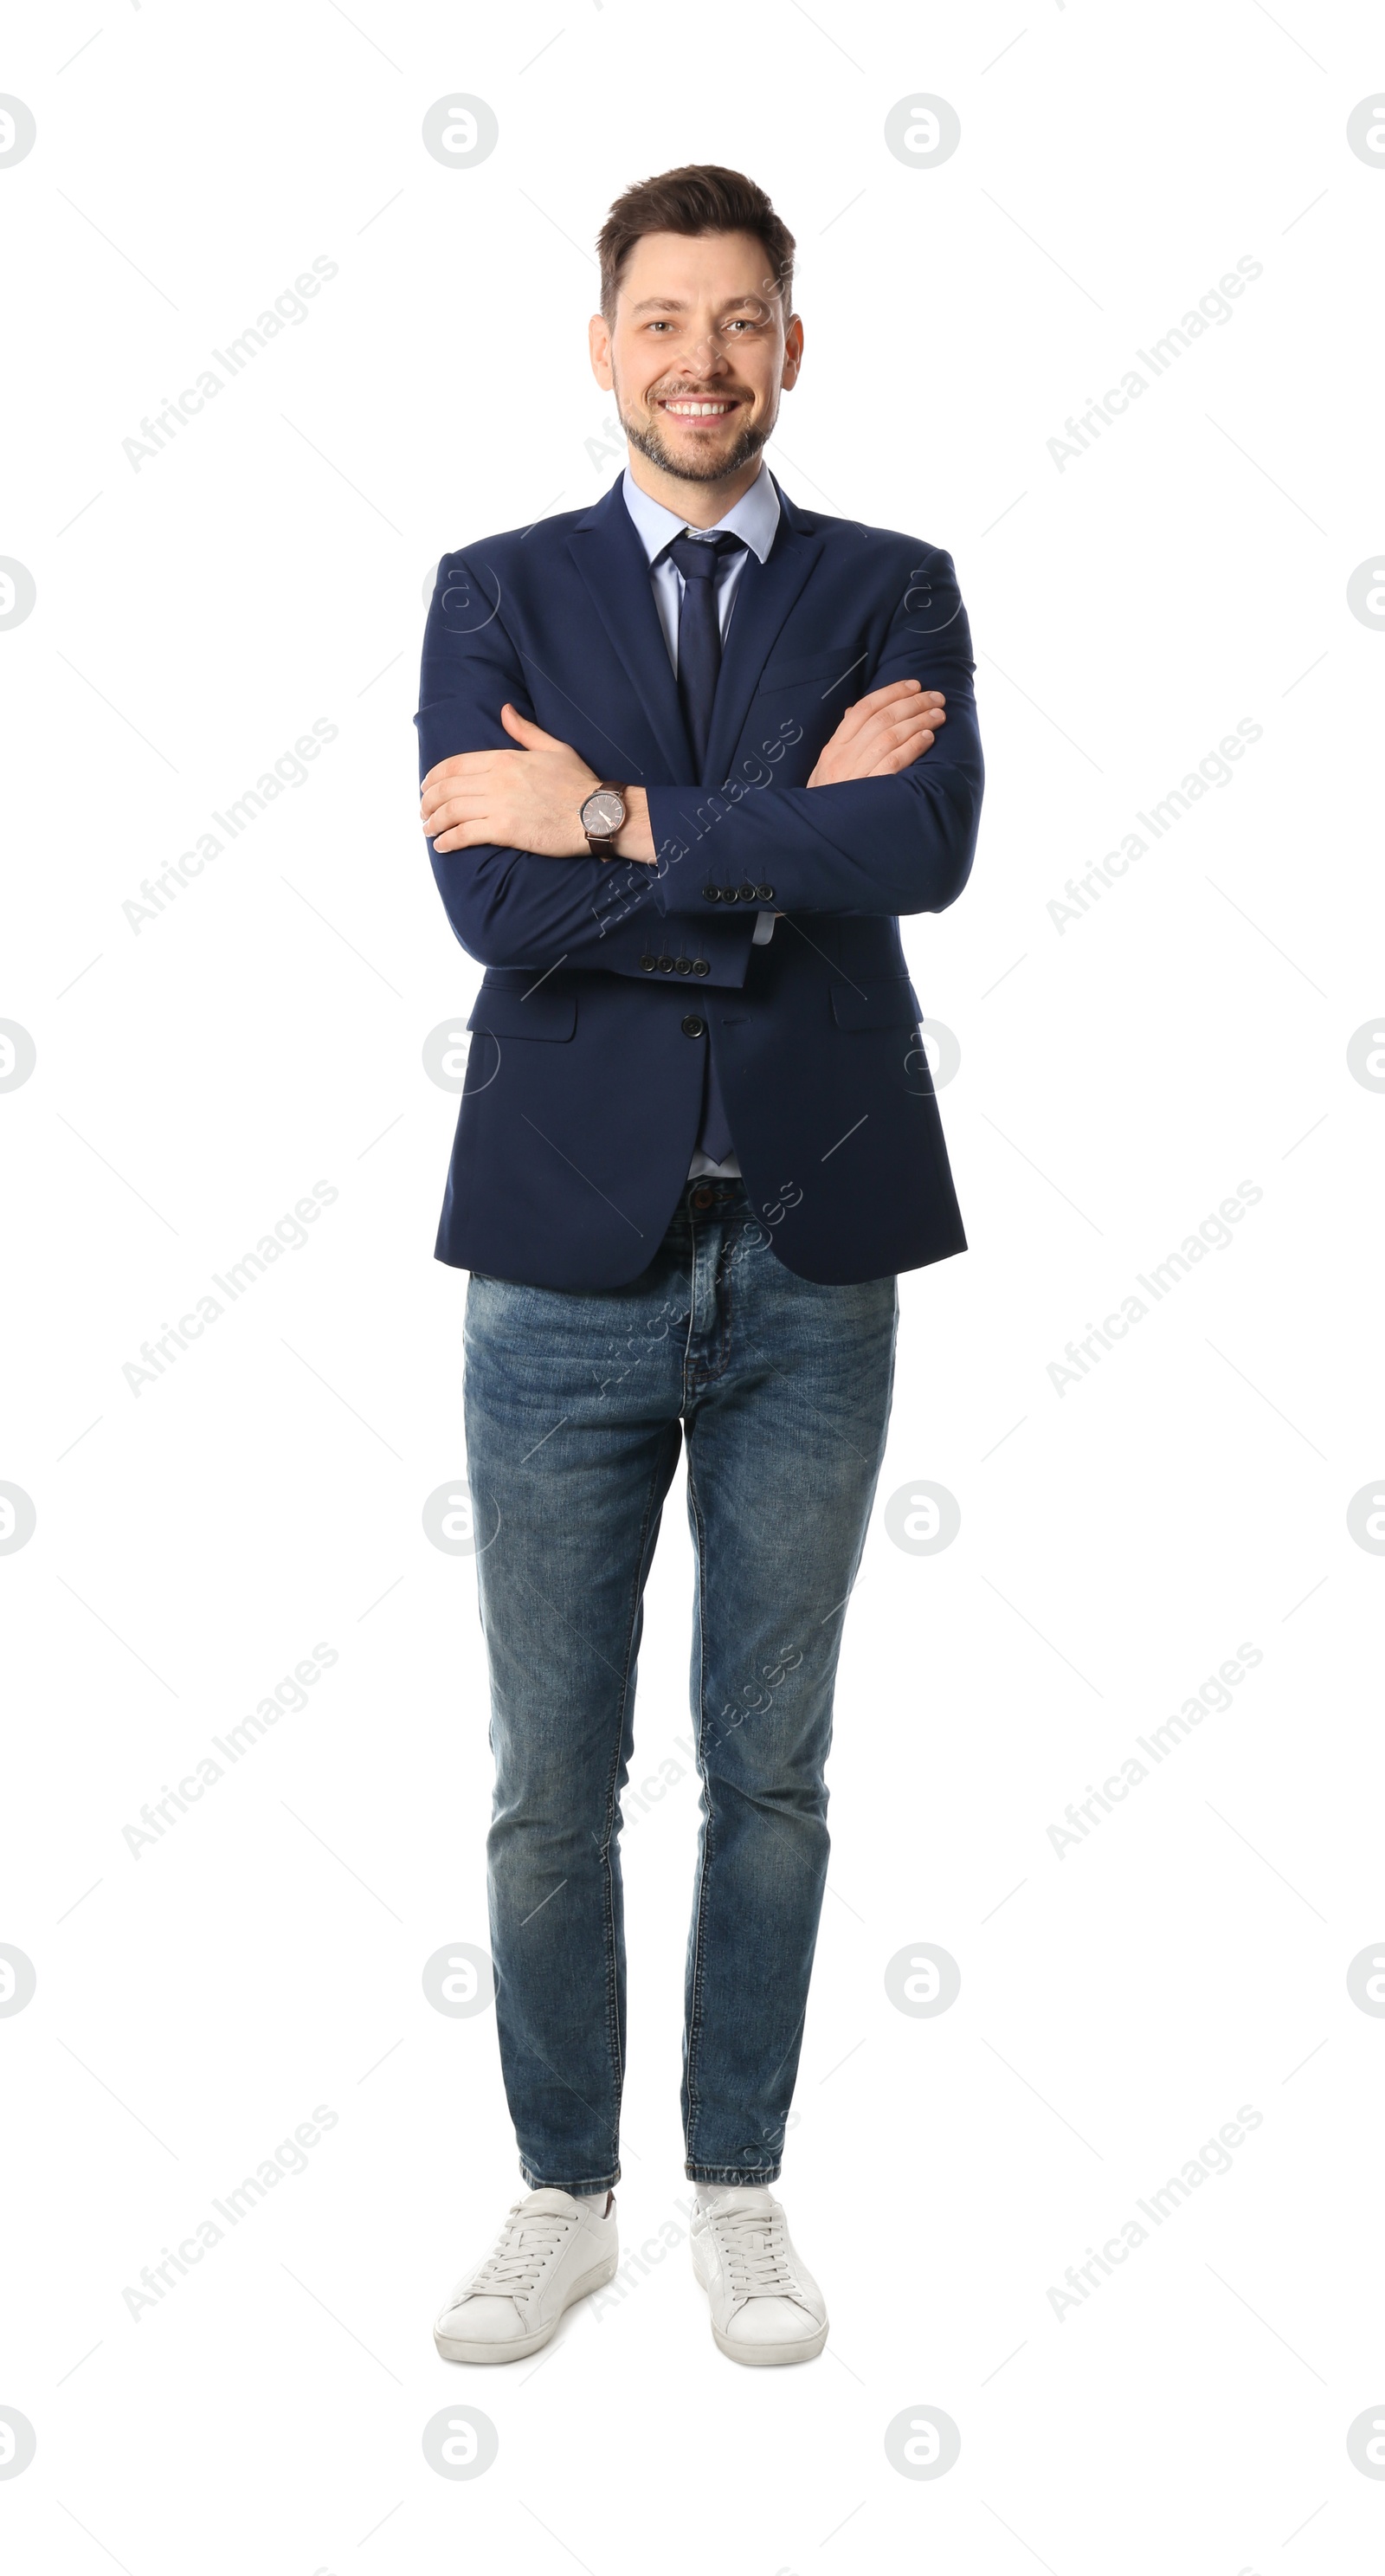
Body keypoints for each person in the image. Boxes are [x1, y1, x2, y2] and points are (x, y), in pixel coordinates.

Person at [416, 164, 982, 2368]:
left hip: (816, 1256)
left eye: (740, 319)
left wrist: (625, 816)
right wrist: (774, 834)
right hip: (563, 1263)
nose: (700, 361)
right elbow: (496, 914)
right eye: (662, 319)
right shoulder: (493, 593)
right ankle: (564, 2190)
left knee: (771, 1769)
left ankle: (735, 2187)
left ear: (792, 348)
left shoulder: (892, 587)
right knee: (552, 1779)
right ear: (600, 347)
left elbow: (917, 848)